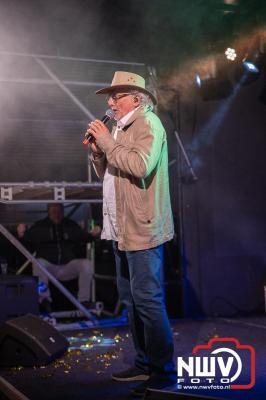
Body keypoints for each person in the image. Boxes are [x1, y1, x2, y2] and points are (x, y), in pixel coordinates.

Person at [86, 71, 176, 396]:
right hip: (121, 228)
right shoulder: (120, 126)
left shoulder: (148, 124)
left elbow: (140, 166)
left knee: (148, 300)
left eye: (116, 96)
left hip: (143, 228)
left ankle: (163, 370)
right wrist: (98, 152)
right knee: (131, 300)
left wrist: (108, 143)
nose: (110, 102)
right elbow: (109, 172)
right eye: (110, 97)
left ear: (136, 98)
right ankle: (143, 362)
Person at [24, 203, 101, 313]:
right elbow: (27, 238)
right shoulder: (40, 225)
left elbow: (84, 237)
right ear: (49, 211)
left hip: (67, 266)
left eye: (59, 211)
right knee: (38, 263)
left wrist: (94, 234)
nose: (57, 214)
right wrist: (21, 232)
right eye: (54, 211)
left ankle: (84, 301)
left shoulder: (70, 225)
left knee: (86, 264)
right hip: (49, 267)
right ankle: (44, 300)